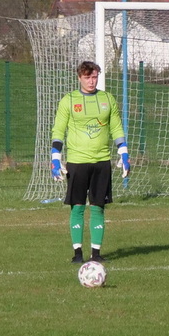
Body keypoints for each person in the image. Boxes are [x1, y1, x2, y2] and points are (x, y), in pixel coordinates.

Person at [50, 60, 130, 264]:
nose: (92, 81)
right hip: (77, 162)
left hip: (102, 161)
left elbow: (116, 128)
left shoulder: (107, 99)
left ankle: (96, 253)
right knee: (77, 207)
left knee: (98, 207)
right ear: (79, 78)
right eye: (87, 77)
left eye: (94, 77)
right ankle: (77, 253)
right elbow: (58, 130)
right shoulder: (69, 100)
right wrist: (55, 158)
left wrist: (124, 153)